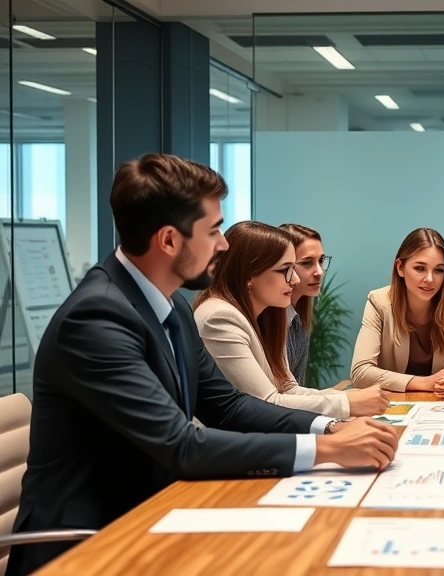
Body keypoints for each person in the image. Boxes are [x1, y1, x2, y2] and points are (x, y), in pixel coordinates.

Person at [7, 154, 398, 576]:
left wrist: (330, 427)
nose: (224, 244)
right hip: (90, 542)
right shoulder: (97, 319)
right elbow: (180, 445)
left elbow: (227, 405)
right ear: (170, 241)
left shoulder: (170, 304)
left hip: (155, 513)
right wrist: (327, 449)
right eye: (213, 231)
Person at [193, 221, 388, 419]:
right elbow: (267, 403)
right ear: (249, 275)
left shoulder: (266, 313)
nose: (294, 280)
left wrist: (349, 398)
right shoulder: (219, 317)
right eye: (285, 269)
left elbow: (288, 388)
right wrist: (347, 403)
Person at [350, 228, 444, 398]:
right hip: (390, 402)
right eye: (420, 268)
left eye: (439, 270)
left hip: (437, 404)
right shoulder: (378, 302)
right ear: (400, 268)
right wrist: (424, 383)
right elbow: (360, 372)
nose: (429, 279)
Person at [278, 223, 329, 387]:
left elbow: (296, 386)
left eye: (321, 261)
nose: (319, 271)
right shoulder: (266, 319)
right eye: (307, 263)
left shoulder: (298, 317)